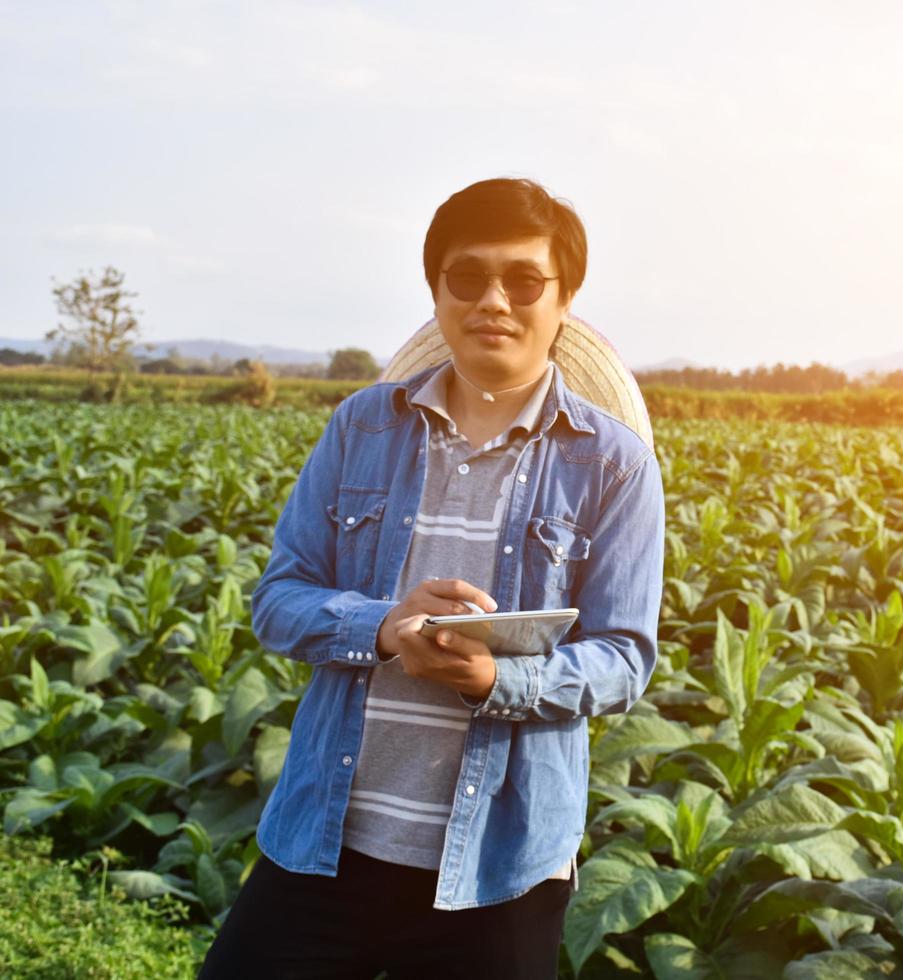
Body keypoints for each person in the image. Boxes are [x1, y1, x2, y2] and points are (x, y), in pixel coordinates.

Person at [200, 178, 665, 978]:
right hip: (330, 839)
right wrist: (382, 626)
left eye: (524, 281)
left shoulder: (613, 465)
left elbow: (624, 659)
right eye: (467, 277)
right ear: (437, 291)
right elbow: (279, 601)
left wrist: (498, 680)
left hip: (500, 868)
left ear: (564, 300)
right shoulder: (361, 427)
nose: (494, 301)